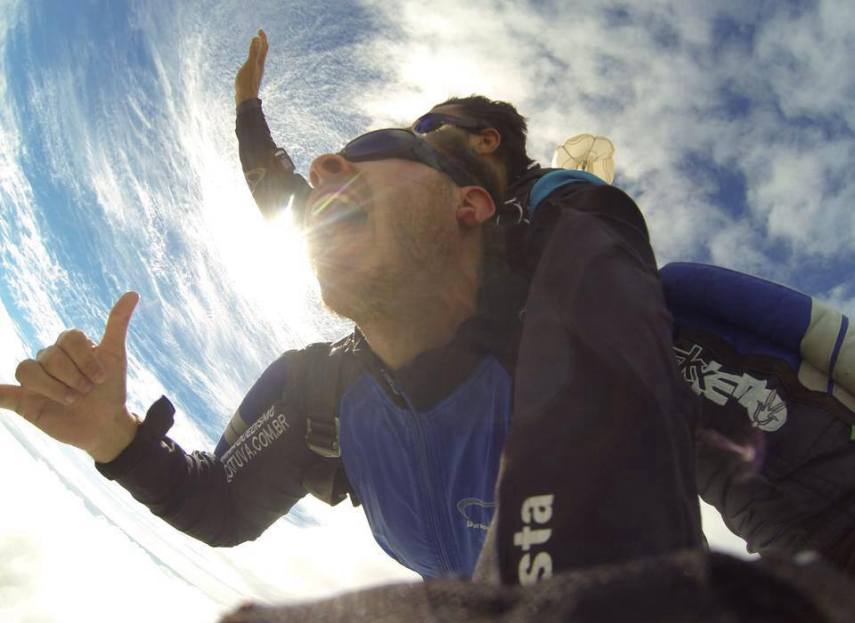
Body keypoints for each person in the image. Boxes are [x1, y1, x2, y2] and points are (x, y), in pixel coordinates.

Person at [233, 30, 855, 578]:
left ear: (486, 140)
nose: (410, 141)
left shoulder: (547, 205)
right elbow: (310, 213)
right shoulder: (448, 238)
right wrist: (249, 118)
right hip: (780, 533)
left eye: (426, 129)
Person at [0, 102, 702, 584]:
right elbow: (219, 505)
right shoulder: (318, 394)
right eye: (331, 165)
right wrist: (118, 442)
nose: (327, 164)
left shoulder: (563, 312)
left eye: (387, 147)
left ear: (472, 205)